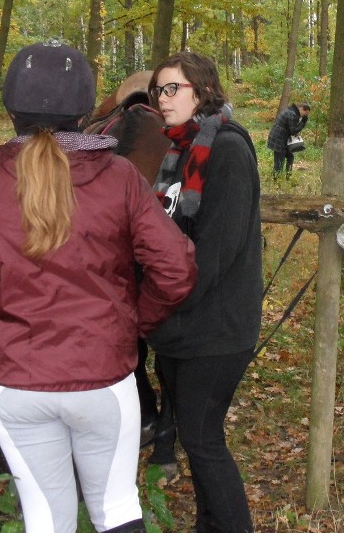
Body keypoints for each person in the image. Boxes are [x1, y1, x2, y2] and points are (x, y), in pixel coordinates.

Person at [0, 40, 198, 533]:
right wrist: (130, 322)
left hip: (14, 379)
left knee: (46, 520)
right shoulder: (119, 177)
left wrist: (10, 322)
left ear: (10, 107)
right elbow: (175, 269)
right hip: (101, 377)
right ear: (86, 109)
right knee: (116, 509)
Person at [147, 51, 262, 533]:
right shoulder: (178, 149)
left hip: (215, 326)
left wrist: (162, 303)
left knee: (201, 439)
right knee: (199, 441)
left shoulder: (228, 149)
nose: (163, 99)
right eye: (159, 90)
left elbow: (215, 251)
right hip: (178, 323)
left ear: (203, 90)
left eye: (173, 88)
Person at [266, 102, 310, 178]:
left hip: (280, 138)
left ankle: (288, 177)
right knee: (279, 161)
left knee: (290, 157)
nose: (305, 115)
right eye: (305, 113)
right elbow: (293, 131)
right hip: (279, 139)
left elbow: (290, 129)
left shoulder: (291, 111)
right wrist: (303, 122)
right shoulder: (292, 114)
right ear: (302, 109)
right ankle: (276, 180)